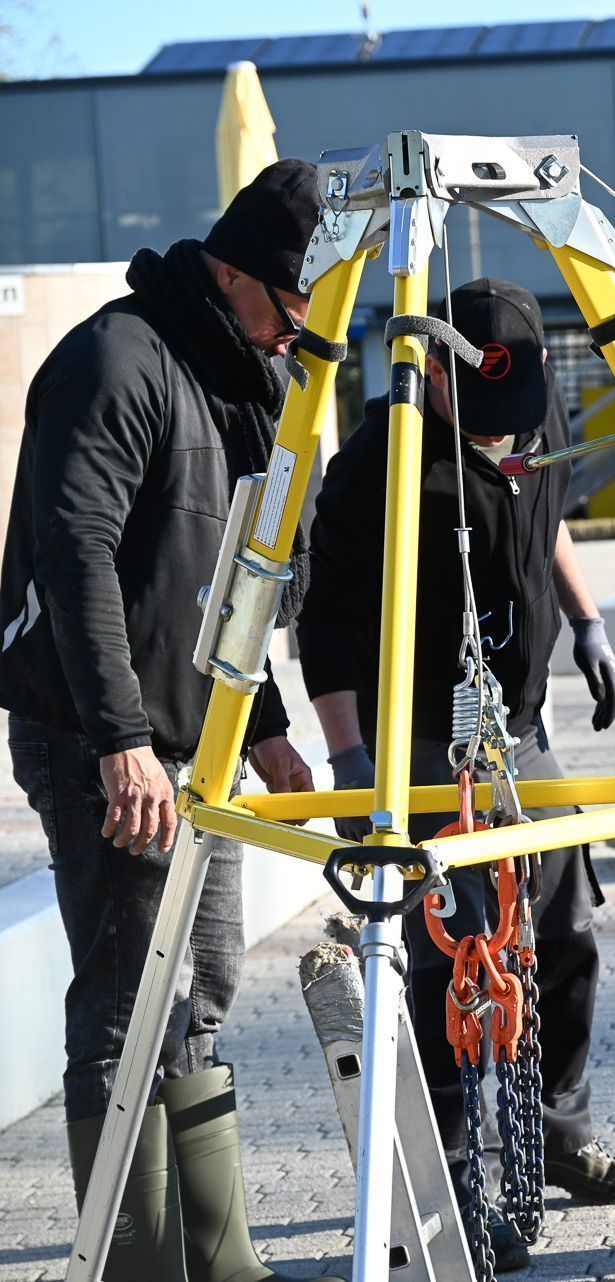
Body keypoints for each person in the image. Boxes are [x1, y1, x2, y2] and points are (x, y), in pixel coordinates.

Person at [0, 160, 339, 1282]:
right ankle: (138, 1262)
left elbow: (236, 576)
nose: (300, 334)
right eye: (294, 306)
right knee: (126, 998)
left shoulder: (241, 378)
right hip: (104, 737)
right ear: (230, 269)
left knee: (203, 986)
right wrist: (120, 741)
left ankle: (219, 1252)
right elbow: (76, 556)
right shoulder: (117, 358)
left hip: (202, 735)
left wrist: (273, 719)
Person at [297, 277, 615, 1273]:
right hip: (416, 747)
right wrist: (351, 755)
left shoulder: (532, 411)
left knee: (567, 922)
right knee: (452, 957)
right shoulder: (377, 464)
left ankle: (559, 1127)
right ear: (436, 371)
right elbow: (320, 619)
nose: (501, 433)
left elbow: (552, 520)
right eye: (476, 410)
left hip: (520, 732)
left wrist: (588, 623)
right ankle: (453, 1173)